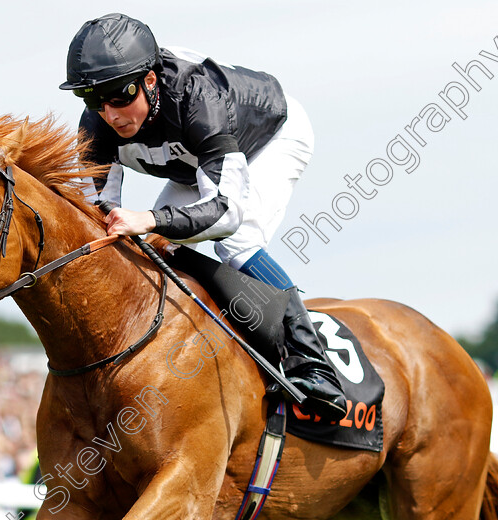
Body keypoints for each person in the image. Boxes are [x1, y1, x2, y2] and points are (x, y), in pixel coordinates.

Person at [60, 13, 346, 419]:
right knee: (157, 245)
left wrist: (151, 218)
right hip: (197, 164)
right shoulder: (98, 123)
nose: (110, 114)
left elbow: (225, 213)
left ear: (150, 80)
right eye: (93, 99)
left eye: (120, 96)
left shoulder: (197, 97)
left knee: (236, 239)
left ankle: (313, 364)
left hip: (268, 138)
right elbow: (94, 208)